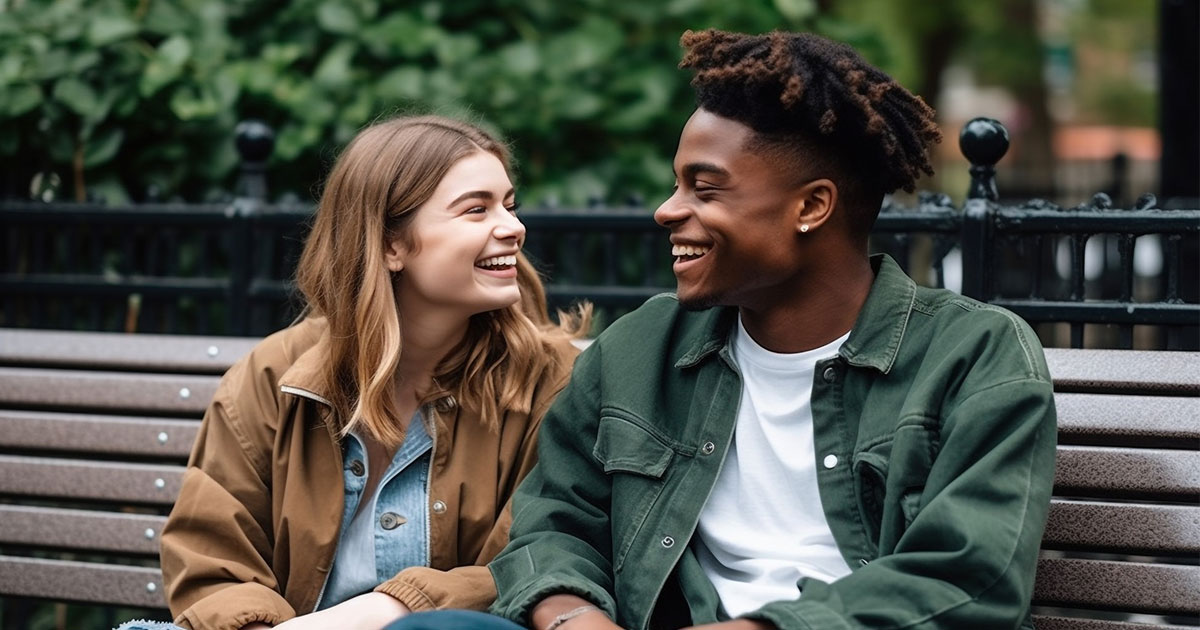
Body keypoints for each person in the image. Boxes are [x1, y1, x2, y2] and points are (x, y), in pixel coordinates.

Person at [485, 29, 1057, 630]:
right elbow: (552, 525)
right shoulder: (641, 346)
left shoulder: (974, 358)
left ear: (811, 207)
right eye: (678, 185)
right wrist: (573, 617)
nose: (667, 210)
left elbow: (968, 579)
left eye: (704, 189)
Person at [149, 115, 587, 630]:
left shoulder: (550, 383)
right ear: (389, 245)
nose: (514, 227)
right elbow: (211, 559)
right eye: (476, 210)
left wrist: (394, 607)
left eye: (509, 205)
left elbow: (537, 561)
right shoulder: (275, 376)